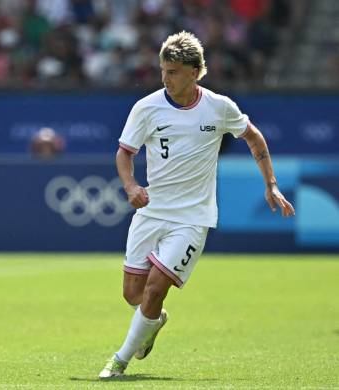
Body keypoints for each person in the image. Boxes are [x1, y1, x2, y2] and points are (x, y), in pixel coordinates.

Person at [99, 31, 295, 379]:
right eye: (163, 71)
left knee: (157, 287)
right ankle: (153, 322)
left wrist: (271, 185)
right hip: (152, 211)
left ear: (195, 71)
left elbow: (254, 138)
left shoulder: (219, 108)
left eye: (173, 71)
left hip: (192, 217)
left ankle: (119, 360)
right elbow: (124, 153)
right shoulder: (146, 108)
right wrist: (130, 186)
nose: (166, 78)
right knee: (134, 295)